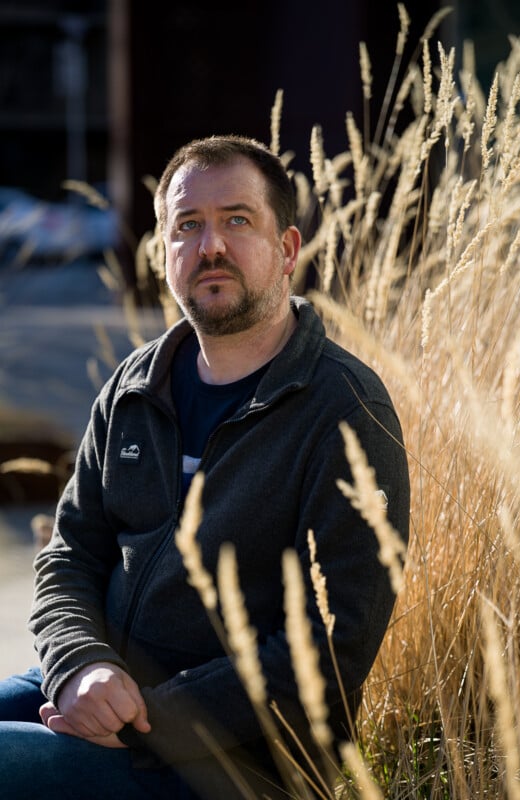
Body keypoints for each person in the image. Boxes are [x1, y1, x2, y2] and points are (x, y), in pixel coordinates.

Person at [0, 135, 410, 799]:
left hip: (232, 763)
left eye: (238, 221)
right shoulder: (136, 385)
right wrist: (82, 666)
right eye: (187, 227)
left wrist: (149, 717)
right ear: (164, 253)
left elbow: (335, 642)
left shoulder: (345, 408)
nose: (210, 245)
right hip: (103, 690)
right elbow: (70, 555)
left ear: (286, 249)